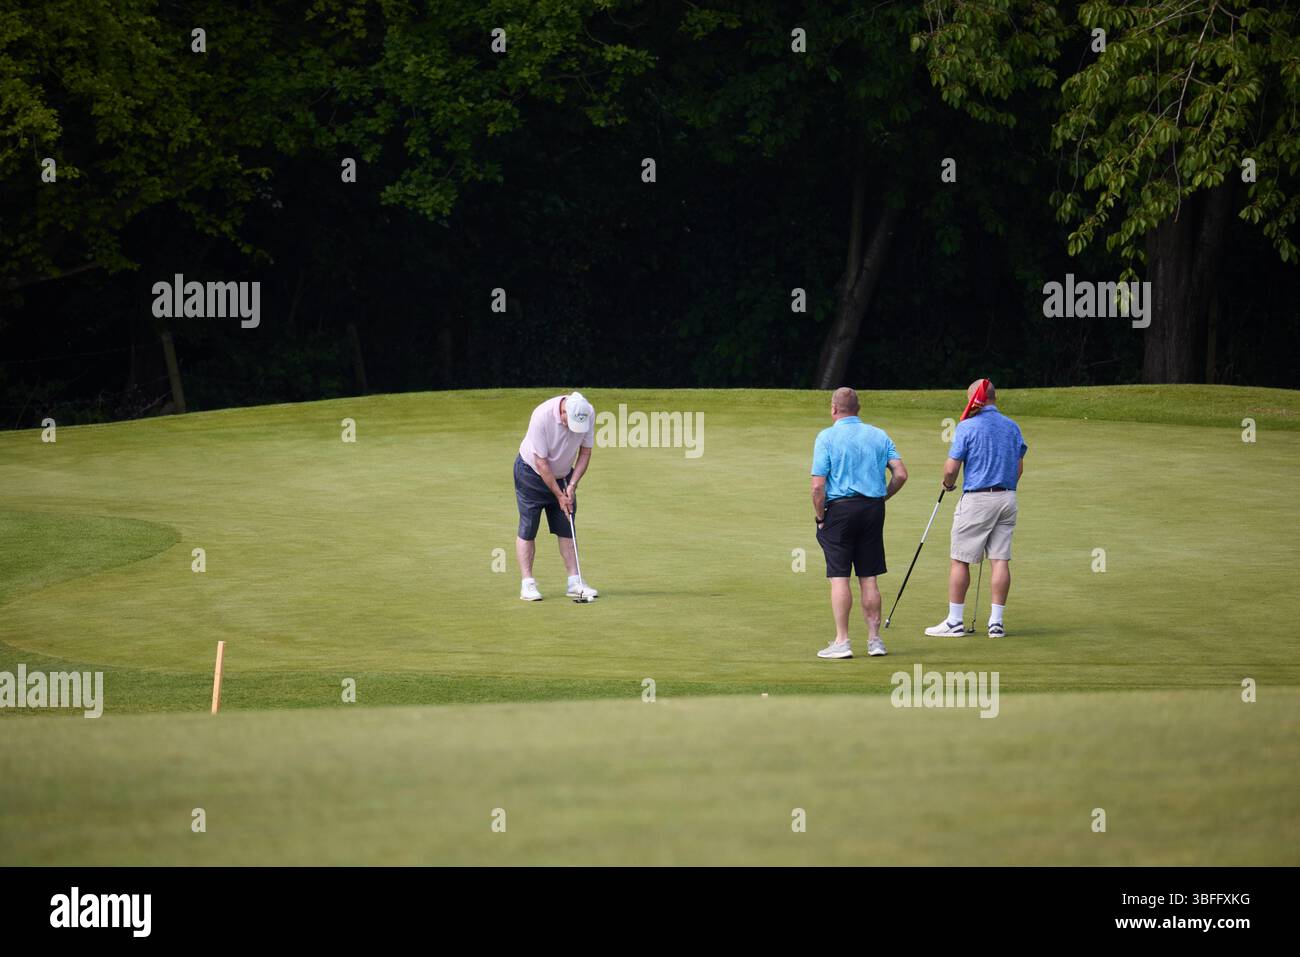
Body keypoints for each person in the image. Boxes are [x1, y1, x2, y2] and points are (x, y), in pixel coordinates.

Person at [810, 387, 908, 659]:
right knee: (869, 576)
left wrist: (820, 518)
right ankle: (875, 640)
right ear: (858, 408)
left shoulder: (826, 437)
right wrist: (882, 496)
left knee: (839, 576)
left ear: (833, 409)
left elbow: (818, 487)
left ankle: (842, 641)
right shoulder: (878, 435)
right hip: (873, 509)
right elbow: (900, 474)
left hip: (839, 511)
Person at [925, 379, 1026, 638]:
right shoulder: (1012, 427)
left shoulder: (967, 427)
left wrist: (948, 484)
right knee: (1000, 559)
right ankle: (996, 623)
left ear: (974, 399)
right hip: (1007, 498)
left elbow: (951, 468)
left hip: (977, 500)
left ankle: (955, 622)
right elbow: (1018, 467)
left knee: (960, 559)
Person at [514, 391, 599, 601]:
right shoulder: (541, 416)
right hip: (531, 473)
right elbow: (541, 462)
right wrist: (559, 495)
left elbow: (585, 453)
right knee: (529, 527)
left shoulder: (587, 412)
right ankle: (528, 584)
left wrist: (571, 485)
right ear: (563, 412)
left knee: (566, 524)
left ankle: (574, 582)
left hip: (563, 475)